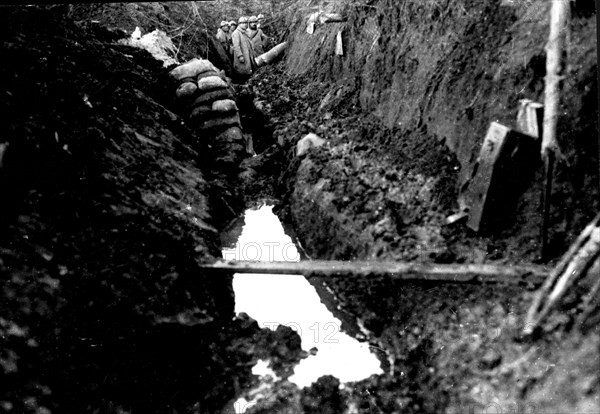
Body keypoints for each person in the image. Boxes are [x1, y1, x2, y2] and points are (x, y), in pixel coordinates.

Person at [230, 16, 256, 81]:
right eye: (243, 23)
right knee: (241, 72)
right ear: (239, 24)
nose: (245, 24)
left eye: (246, 23)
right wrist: (240, 56)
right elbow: (236, 46)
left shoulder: (245, 32)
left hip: (248, 55)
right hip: (242, 56)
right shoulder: (236, 33)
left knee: (248, 71)